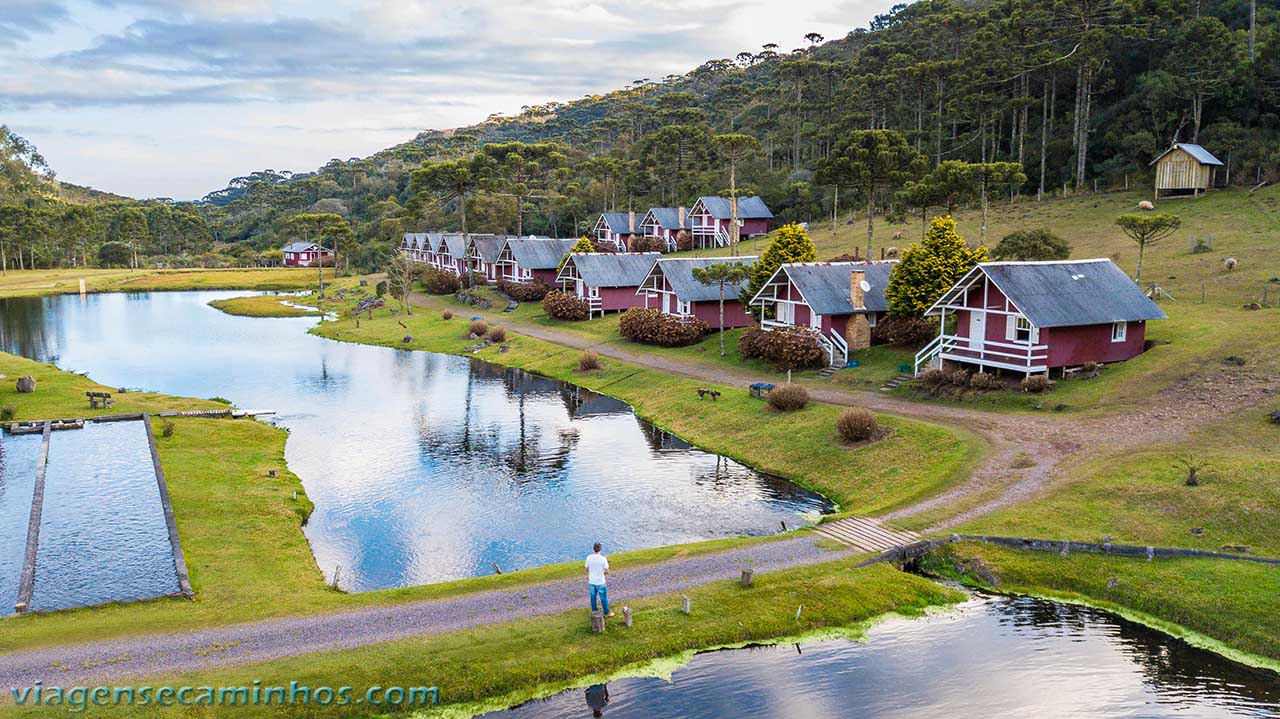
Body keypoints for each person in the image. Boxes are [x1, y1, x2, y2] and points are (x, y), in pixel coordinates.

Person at [585, 542, 614, 617]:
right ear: (600, 549)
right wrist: (602, 573)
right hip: (601, 582)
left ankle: (595, 612)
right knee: (603, 598)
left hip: (592, 581)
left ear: (593, 549)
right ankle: (606, 612)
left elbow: (586, 568)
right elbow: (607, 571)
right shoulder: (603, 559)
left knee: (593, 597)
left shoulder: (589, 557)